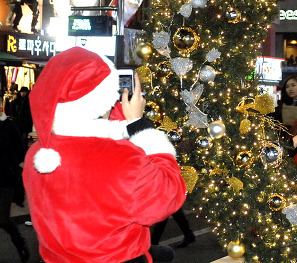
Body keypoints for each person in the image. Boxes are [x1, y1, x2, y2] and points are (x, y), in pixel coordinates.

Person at [23, 47, 187, 263]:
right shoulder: (121, 156)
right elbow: (167, 197)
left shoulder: (37, 154)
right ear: (103, 99)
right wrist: (140, 127)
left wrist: (116, 117)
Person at [0, 112, 29, 262]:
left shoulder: (9, 126)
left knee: (3, 219)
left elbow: (20, 151)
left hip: (6, 179)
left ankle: (20, 244)